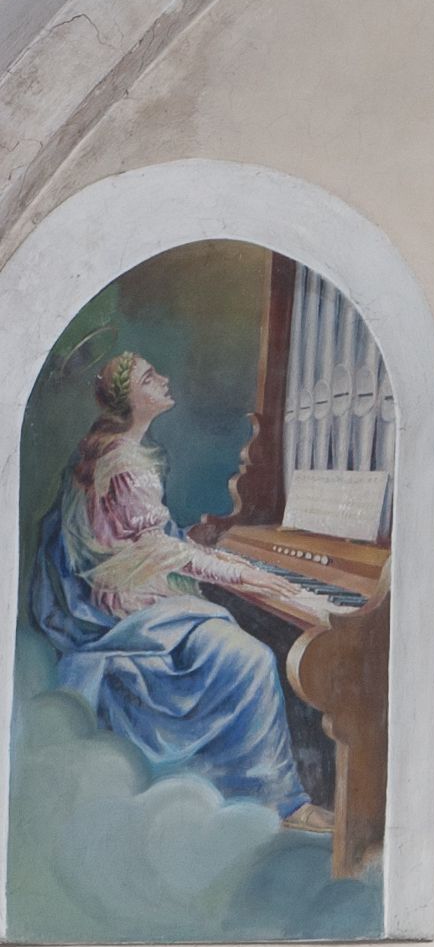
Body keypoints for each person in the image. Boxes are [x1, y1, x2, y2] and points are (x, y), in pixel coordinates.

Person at [25, 347, 333, 816]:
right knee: (250, 659)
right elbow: (162, 552)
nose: (164, 380)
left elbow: (152, 540)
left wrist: (237, 566)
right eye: (150, 378)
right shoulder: (124, 463)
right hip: (127, 614)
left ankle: (271, 788)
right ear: (131, 400)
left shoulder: (117, 450)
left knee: (242, 626)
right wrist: (255, 577)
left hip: (128, 597)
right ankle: (274, 798)